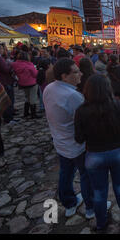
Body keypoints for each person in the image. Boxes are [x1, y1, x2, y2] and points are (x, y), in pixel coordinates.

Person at [75, 74, 120, 233]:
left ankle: (101, 223)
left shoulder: (81, 111)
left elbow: (79, 138)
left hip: (94, 155)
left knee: (99, 192)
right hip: (118, 153)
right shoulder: (118, 105)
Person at [43, 58, 94, 218]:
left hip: (60, 141)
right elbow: (86, 122)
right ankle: (91, 208)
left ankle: (69, 203)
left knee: (66, 174)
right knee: (86, 176)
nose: (81, 74)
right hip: (77, 144)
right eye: (76, 71)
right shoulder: (73, 96)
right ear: (64, 76)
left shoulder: (49, 88)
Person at [11, 51, 40, 119]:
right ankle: (33, 114)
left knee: (27, 97)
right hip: (32, 83)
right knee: (33, 98)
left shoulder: (15, 64)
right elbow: (35, 74)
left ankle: (26, 112)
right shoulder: (29, 64)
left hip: (22, 83)